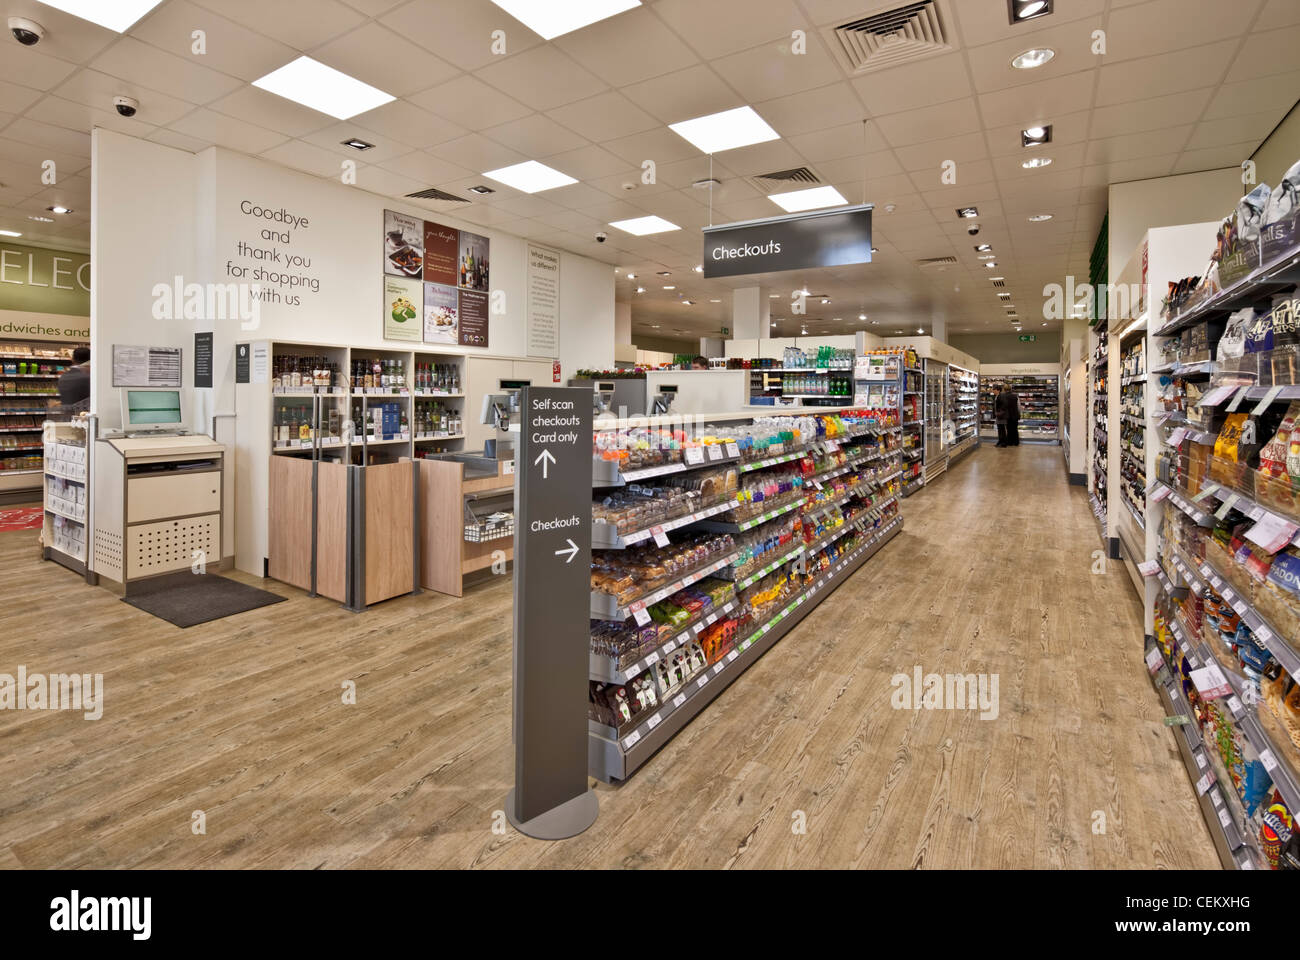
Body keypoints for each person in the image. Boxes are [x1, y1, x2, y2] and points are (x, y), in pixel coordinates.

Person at [56, 346, 90, 416]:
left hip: (67, 417)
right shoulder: (88, 376)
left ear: (73, 359)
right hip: (83, 419)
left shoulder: (64, 376)